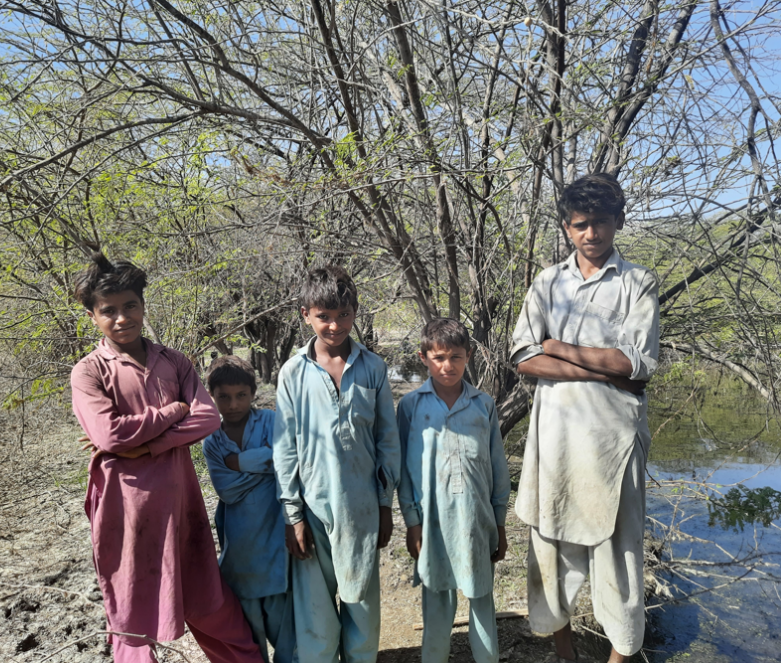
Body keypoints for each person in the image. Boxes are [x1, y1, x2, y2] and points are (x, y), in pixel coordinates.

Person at [69, 252, 263, 663]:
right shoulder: (89, 372)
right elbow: (109, 434)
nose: (122, 318)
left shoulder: (174, 362)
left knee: (211, 604)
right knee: (132, 617)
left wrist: (148, 446)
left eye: (130, 306)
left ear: (143, 304)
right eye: (109, 311)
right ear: (92, 316)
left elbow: (207, 417)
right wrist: (174, 411)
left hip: (181, 508)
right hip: (127, 512)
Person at [510, 173, 660, 663]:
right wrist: (600, 368)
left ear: (618, 221)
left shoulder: (638, 282)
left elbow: (635, 365)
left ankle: (620, 656)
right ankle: (565, 654)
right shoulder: (547, 283)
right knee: (551, 551)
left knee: (620, 555)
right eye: (580, 224)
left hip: (614, 445)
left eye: (600, 221)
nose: (591, 233)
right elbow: (524, 357)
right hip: (554, 442)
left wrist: (557, 346)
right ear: (566, 227)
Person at [272, 265, 401, 663]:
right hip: (312, 508)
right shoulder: (293, 372)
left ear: (355, 312)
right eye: (324, 316)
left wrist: (384, 503)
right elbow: (285, 447)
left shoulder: (373, 368)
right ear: (305, 315)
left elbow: (387, 440)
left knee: (362, 606)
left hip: (362, 508)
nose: (335, 325)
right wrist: (293, 514)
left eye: (344, 314)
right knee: (316, 615)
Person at [397, 318, 511, 663]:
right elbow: (404, 471)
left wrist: (500, 522)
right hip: (432, 523)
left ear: (469, 356)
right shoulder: (411, 406)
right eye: (439, 358)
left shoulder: (483, 405)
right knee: (436, 604)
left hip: (477, 521)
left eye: (456, 357)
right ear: (423, 358)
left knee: (481, 599)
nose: (448, 366)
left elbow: (497, 466)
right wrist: (412, 522)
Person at [203, 356, 297, 663]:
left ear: (253, 392)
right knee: (249, 623)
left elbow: (286, 462)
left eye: (241, 395)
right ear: (212, 396)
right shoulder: (213, 440)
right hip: (240, 542)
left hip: (275, 533)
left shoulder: (270, 420)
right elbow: (227, 490)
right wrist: (266, 466)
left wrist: (240, 462)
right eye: (224, 397)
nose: (233, 404)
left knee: (283, 620)